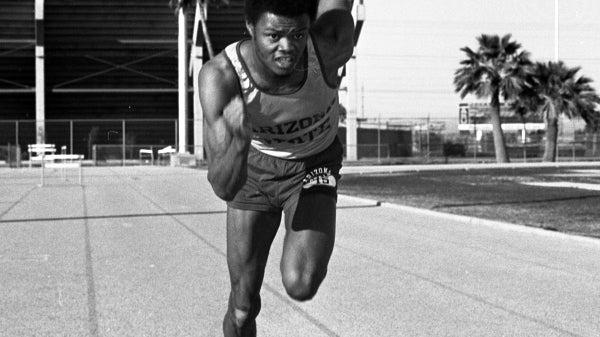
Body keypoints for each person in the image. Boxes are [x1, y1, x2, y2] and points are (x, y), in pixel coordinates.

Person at [198, 0, 354, 335]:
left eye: (298, 34)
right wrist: (238, 142)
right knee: (242, 307)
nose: (288, 47)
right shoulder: (222, 77)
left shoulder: (327, 45)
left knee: (301, 282)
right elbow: (223, 187)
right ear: (250, 28)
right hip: (252, 169)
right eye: (274, 36)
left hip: (314, 164)